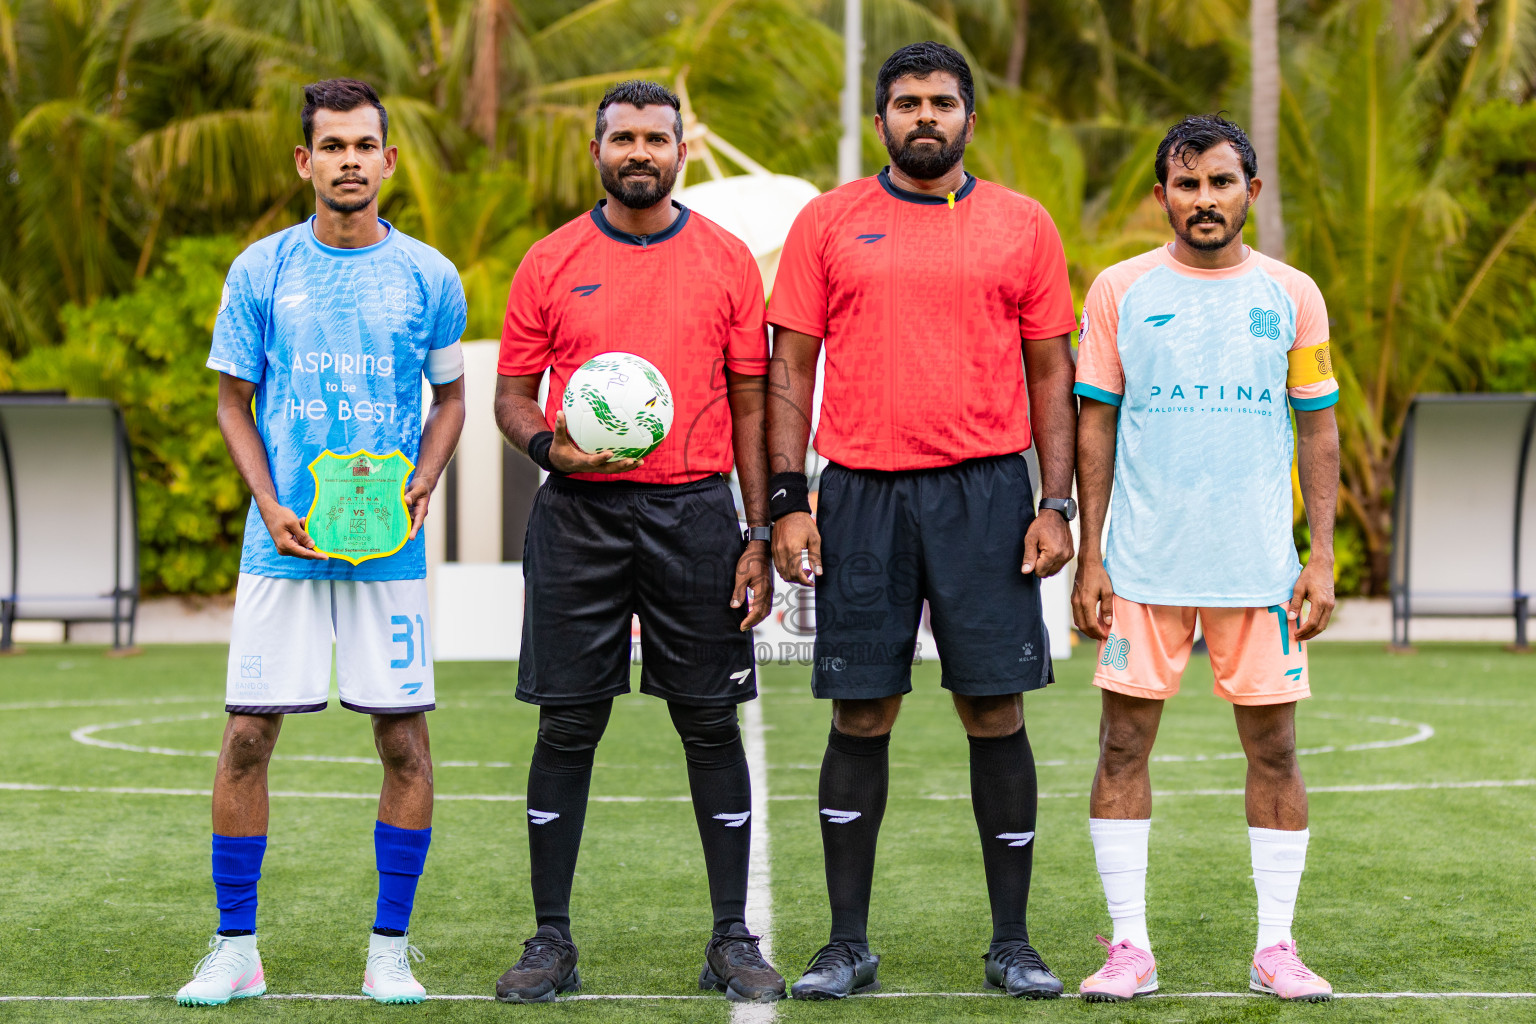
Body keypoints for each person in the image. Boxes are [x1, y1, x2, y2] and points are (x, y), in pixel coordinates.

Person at [766, 42, 1079, 1000]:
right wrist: (789, 496)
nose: (925, 116)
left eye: (942, 102)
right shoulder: (827, 222)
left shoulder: (1023, 225)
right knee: (863, 710)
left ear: (970, 120)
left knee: (994, 707)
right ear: (881, 121)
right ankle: (845, 944)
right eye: (907, 103)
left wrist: (1055, 501)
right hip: (859, 491)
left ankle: (1013, 942)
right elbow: (790, 369)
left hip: (987, 493)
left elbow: (1052, 372)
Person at [490, 80, 784, 1004]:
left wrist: (757, 531)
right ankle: (551, 941)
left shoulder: (730, 261)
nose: (640, 152)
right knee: (568, 723)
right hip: (578, 514)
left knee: (707, 720)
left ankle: (731, 937)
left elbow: (748, 401)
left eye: (657, 137)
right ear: (598, 150)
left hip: (695, 515)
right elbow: (510, 395)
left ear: (682, 150)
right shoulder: (549, 260)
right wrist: (550, 446)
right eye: (623, 138)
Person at [177, 79, 467, 1006]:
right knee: (248, 738)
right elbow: (232, 401)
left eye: (364, 145)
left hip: (388, 548)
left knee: (404, 744)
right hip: (285, 549)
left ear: (388, 160)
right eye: (331, 146)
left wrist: (425, 475)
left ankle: (390, 946)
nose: (349, 161)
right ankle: (235, 947)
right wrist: (266, 502)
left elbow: (453, 398)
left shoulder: (430, 275)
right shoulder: (260, 270)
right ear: (306, 162)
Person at [1071, 114, 1339, 1004]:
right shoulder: (1118, 289)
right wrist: (1091, 557)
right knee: (1120, 748)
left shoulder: (1294, 294)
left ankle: (1277, 949)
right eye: (1186, 185)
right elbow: (1096, 418)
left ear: (1250, 192)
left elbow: (1319, 423)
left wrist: (1322, 556)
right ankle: (1129, 949)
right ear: (1162, 197)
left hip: (1259, 569)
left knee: (1276, 752)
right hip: (1142, 566)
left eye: (1220, 183)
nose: (1204, 200)